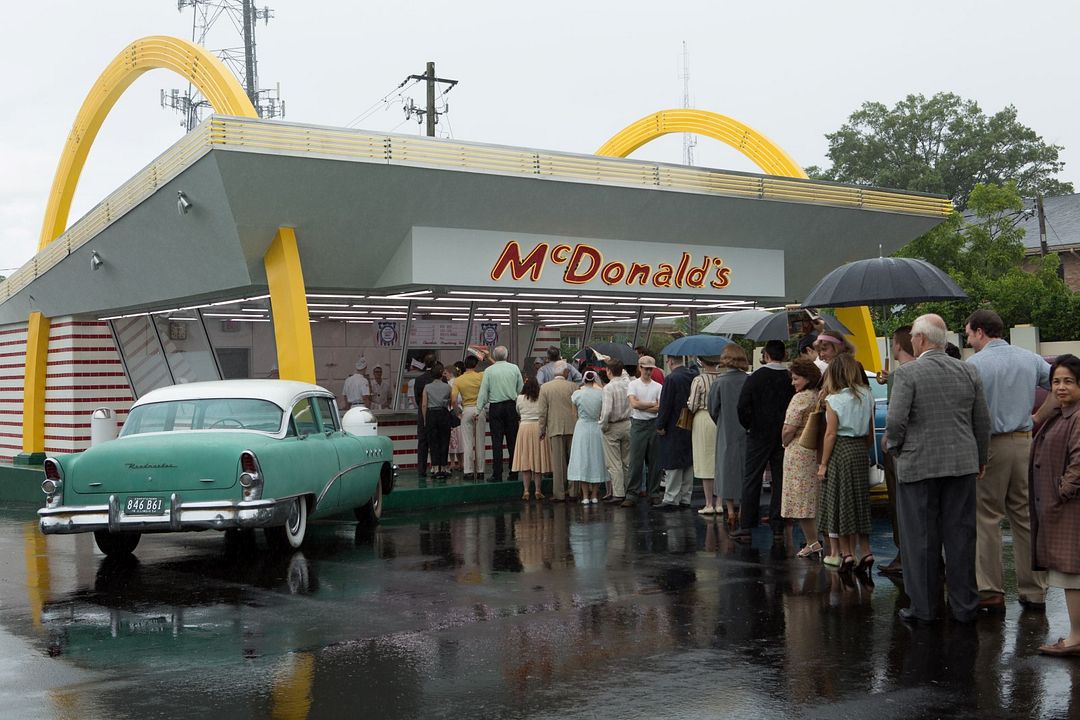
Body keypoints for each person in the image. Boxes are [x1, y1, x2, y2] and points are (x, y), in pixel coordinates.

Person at [886, 313, 990, 624]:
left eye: (913, 337)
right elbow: (981, 420)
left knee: (920, 539)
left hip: (918, 465)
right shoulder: (968, 370)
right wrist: (980, 458)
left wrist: (896, 449)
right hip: (961, 464)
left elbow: (896, 421)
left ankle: (925, 608)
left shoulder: (908, 374)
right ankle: (964, 606)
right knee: (961, 537)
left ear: (920, 339)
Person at [965, 308, 1051, 613]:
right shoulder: (1030, 358)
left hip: (992, 445)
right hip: (1025, 441)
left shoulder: (974, 365)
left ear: (980, 331)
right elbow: (1059, 384)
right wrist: (1038, 417)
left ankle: (990, 590)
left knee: (987, 517)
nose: (968, 340)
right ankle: (1035, 590)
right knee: (1026, 516)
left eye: (968, 334)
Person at [1029, 355, 1080, 655]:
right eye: (1056, 382)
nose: (1061, 387)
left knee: (1072, 574)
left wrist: (1063, 492)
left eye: (1068, 381)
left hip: (1070, 508)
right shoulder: (1062, 412)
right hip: (1062, 506)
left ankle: (1075, 638)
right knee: (1070, 574)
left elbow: (1078, 460)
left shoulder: (1077, 416)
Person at [816, 353, 875, 571]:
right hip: (860, 450)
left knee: (840, 502)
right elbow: (870, 432)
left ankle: (847, 553)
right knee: (860, 502)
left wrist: (823, 464)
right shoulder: (866, 394)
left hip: (841, 450)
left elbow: (831, 434)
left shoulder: (834, 400)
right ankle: (866, 551)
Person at [733, 340, 793, 539]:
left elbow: (742, 406)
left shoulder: (756, 378)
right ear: (784, 355)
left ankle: (746, 526)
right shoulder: (790, 378)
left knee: (752, 478)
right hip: (784, 434)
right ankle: (778, 525)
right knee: (780, 480)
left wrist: (749, 425)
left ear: (766, 355)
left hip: (758, 434)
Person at [875, 326, 916, 577]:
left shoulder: (902, 375)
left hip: (900, 450)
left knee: (899, 504)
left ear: (898, 346)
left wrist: (889, 439)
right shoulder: (912, 372)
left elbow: (897, 416)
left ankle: (904, 555)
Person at [780, 357, 824, 557]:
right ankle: (817, 540)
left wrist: (784, 441)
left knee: (801, 499)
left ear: (807, 378)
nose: (792, 382)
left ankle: (812, 542)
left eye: (796, 378)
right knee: (813, 497)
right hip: (814, 451)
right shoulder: (818, 396)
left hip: (799, 451)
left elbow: (789, 429)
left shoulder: (800, 398)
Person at [708, 344, 750, 527]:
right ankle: (744, 510)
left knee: (726, 470)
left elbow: (712, 409)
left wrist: (721, 421)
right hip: (747, 431)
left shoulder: (719, 382)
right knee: (746, 471)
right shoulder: (749, 380)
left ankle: (731, 511)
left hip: (726, 430)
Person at [656, 354, 698, 510]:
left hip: (674, 423)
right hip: (690, 420)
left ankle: (671, 498)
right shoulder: (693, 375)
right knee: (688, 461)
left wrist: (660, 424)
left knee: (672, 460)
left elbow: (665, 404)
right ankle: (685, 497)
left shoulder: (671, 378)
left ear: (671, 361)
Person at [477, 346, 524, 483]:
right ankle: (514, 472)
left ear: (495, 356)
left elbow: (483, 392)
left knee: (496, 442)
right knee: (512, 441)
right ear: (507, 355)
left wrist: (478, 410)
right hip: (511, 407)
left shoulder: (489, 371)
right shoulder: (514, 368)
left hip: (495, 407)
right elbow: (520, 388)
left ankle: (497, 474)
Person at [625, 355, 663, 506]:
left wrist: (642, 405)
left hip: (652, 423)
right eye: (646, 369)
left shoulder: (658, 386)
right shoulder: (633, 384)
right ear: (640, 368)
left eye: (650, 369)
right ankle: (632, 494)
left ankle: (653, 493)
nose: (648, 372)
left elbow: (659, 407)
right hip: (638, 424)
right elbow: (634, 404)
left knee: (655, 462)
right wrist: (652, 404)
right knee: (635, 461)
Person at [538, 361, 578, 501]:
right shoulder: (573, 387)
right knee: (573, 460)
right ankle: (573, 491)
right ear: (565, 372)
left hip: (554, 427)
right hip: (573, 427)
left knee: (558, 462)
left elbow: (542, 412)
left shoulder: (545, 388)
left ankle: (559, 493)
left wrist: (542, 429)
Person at [568, 371, 608, 504]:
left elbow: (574, 414)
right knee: (597, 459)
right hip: (596, 427)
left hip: (582, 428)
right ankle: (595, 495)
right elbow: (603, 412)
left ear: (584, 380)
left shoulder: (577, 394)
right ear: (594, 380)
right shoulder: (601, 394)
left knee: (582, 459)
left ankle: (585, 496)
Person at [688, 355, 720, 515]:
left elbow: (692, 405)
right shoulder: (722, 378)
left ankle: (709, 504)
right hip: (720, 419)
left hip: (703, 418)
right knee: (719, 460)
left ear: (701, 361)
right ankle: (720, 502)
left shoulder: (699, 380)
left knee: (705, 460)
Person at [599, 358, 632, 504]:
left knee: (614, 463)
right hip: (627, 423)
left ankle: (619, 493)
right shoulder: (628, 384)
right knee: (627, 461)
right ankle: (629, 490)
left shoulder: (608, 388)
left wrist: (603, 426)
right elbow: (624, 374)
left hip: (612, 426)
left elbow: (606, 411)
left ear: (608, 371)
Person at [512, 376, 548, 501]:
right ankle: (538, 490)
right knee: (538, 460)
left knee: (525, 460)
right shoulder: (541, 397)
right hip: (538, 427)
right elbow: (544, 412)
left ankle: (526, 491)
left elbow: (518, 411)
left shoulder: (520, 398)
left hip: (524, 428)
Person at [454, 355, 487, 481]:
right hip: (480, 409)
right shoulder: (481, 376)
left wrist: (457, 412)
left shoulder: (458, 380)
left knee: (467, 442)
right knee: (480, 441)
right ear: (476, 365)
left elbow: (453, 399)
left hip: (466, 410)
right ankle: (480, 471)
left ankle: (468, 471)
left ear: (465, 365)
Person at [422, 363, 452, 480]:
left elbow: (424, 404)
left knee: (433, 441)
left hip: (431, 414)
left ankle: (435, 468)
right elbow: (451, 402)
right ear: (441, 374)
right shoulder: (448, 387)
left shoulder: (427, 387)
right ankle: (443, 467)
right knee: (444, 440)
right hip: (444, 413)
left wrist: (425, 419)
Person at [412, 353, 437, 478]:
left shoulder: (419, 380)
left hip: (423, 413)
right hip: (436, 412)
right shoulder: (438, 379)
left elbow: (417, 398)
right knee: (436, 441)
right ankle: (436, 467)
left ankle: (421, 470)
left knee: (422, 442)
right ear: (435, 363)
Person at [447, 362, 465, 474]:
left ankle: (452, 462)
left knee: (452, 439)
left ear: (450, 373)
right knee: (460, 438)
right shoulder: (461, 381)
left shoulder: (448, 384)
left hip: (450, 412)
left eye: (445, 373)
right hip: (460, 412)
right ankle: (461, 462)